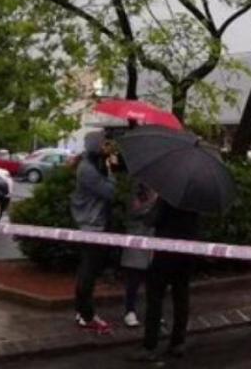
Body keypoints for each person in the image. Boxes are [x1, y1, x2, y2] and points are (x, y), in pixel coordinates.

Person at [130, 199, 200, 362]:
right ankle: (178, 342)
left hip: (165, 255)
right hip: (187, 254)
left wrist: (147, 206)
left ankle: (149, 346)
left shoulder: (168, 196)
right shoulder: (195, 199)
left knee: (154, 298)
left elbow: (151, 220)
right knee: (181, 296)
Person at [71, 130, 117, 334]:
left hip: (94, 224)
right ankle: (86, 314)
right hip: (92, 226)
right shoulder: (88, 170)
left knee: (89, 271)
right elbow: (110, 192)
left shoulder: (90, 166)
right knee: (88, 272)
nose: (106, 149)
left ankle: (83, 312)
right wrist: (111, 171)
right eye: (103, 145)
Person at [121, 182, 156, 328]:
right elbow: (133, 211)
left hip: (153, 240)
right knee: (133, 279)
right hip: (136, 238)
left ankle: (154, 313)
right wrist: (152, 204)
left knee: (153, 281)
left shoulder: (158, 189)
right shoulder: (136, 189)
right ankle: (130, 311)